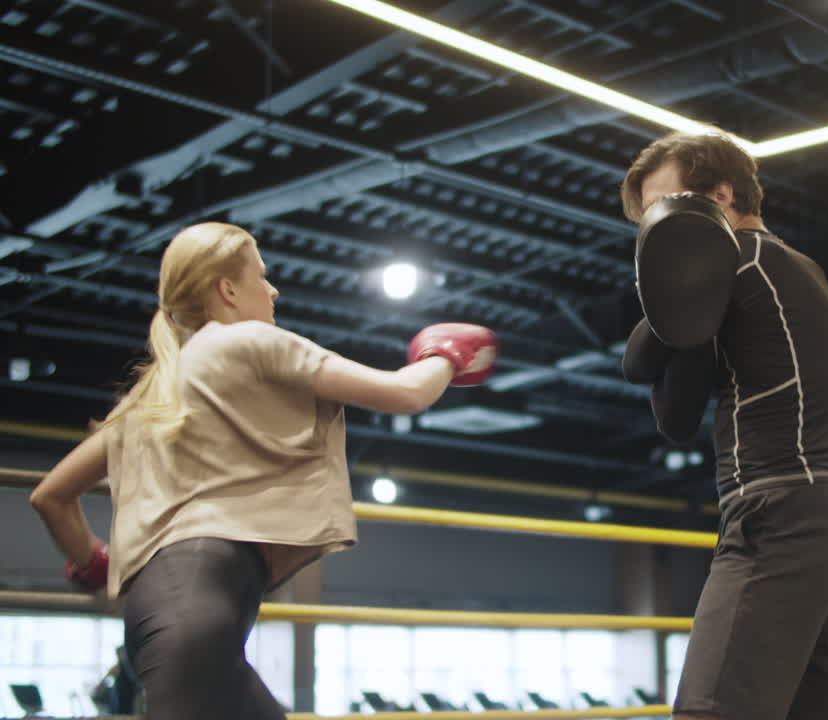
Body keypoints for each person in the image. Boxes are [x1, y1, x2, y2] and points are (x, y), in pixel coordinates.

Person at [28, 221, 498, 720]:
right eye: (261, 275)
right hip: (195, 623)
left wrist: (96, 565)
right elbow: (404, 393)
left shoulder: (152, 394)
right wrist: (445, 354)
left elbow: (51, 497)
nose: (273, 289)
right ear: (227, 289)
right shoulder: (246, 340)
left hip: (158, 620)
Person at [619, 132, 828, 720]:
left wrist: (666, 290)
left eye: (665, 206)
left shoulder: (728, 261)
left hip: (775, 514)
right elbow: (655, 378)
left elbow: (666, 407)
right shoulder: (794, 265)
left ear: (721, 195)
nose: (657, 228)